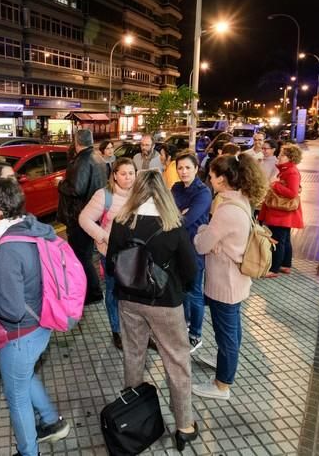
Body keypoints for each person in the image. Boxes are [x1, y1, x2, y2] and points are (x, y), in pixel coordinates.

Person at [0, 179, 70, 456]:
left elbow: (11, 309)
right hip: (40, 322)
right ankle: (51, 421)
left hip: (19, 334)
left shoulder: (6, 249)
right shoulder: (29, 228)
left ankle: (29, 451)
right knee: (23, 378)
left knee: (17, 399)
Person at [105, 170, 198, 451]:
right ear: (163, 193)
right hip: (165, 303)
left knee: (134, 354)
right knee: (177, 360)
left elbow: (111, 264)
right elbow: (191, 270)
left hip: (129, 299)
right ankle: (184, 426)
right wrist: (177, 289)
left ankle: (133, 412)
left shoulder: (122, 222)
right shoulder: (173, 224)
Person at [193, 154, 267, 401]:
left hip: (225, 283)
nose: (209, 179)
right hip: (235, 280)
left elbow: (202, 244)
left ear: (222, 179)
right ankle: (225, 364)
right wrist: (215, 240)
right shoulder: (241, 199)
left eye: (212, 176)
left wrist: (204, 231)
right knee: (232, 329)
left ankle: (222, 384)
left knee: (226, 333)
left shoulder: (226, 210)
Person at [78, 157, 136, 349]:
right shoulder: (104, 195)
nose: (128, 177)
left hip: (136, 255)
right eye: (123, 173)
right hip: (111, 254)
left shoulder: (141, 193)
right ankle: (117, 329)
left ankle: (135, 328)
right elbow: (84, 219)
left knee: (135, 294)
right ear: (115, 176)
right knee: (113, 292)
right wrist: (103, 236)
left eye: (131, 173)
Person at [57, 128, 107, 305]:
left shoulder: (83, 160)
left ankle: (93, 293)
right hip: (94, 212)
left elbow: (76, 189)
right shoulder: (98, 157)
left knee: (81, 256)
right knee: (84, 254)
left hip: (80, 216)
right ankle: (91, 291)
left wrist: (61, 184)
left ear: (77, 142)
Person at [171, 151, 212, 353]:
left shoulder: (203, 192)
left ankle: (195, 335)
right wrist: (179, 214)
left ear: (196, 169)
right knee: (182, 290)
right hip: (177, 247)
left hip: (194, 249)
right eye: (180, 168)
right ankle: (185, 324)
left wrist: (179, 214)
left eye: (188, 167)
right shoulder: (176, 187)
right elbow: (168, 212)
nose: (184, 171)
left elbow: (187, 219)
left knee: (195, 292)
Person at [258, 144, 304, 277]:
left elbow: (292, 192)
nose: (279, 156)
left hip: (281, 213)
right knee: (284, 239)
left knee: (277, 240)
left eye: (282, 154)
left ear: (290, 158)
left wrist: (275, 184)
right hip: (282, 212)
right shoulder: (286, 170)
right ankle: (285, 264)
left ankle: (274, 268)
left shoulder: (291, 172)